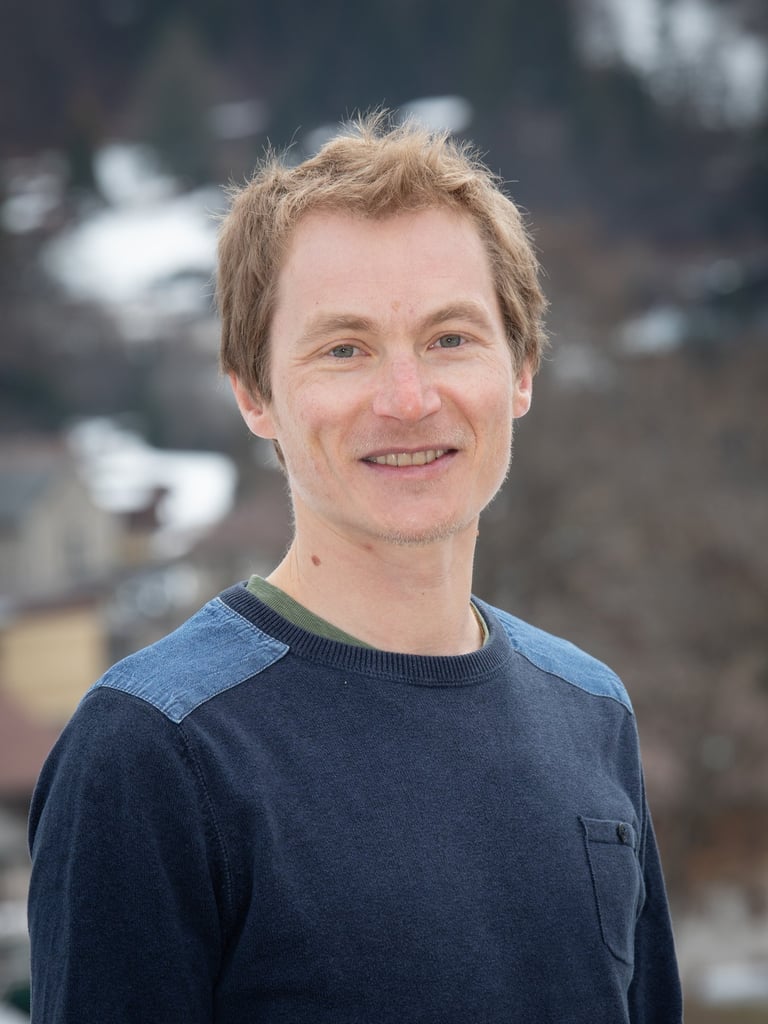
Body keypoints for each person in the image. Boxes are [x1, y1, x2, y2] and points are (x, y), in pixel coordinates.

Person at [28, 112, 682, 1022]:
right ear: (254, 394)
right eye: (345, 349)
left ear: (522, 369)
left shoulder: (592, 712)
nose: (408, 400)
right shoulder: (154, 752)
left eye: (451, 338)